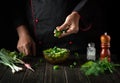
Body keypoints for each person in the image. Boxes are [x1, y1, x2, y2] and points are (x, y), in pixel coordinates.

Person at [14, 0, 107, 56]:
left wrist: (78, 13)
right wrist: (23, 33)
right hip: (36, 49)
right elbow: (14, 5)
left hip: (76, 47)